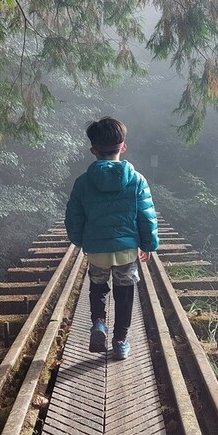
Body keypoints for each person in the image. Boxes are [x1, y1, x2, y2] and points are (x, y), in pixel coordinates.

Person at [64, 117, 159, 359]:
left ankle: (98, 323)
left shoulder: (83, 183)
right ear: (123, 146)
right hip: (126, 249)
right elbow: (146, 216)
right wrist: (148, 245)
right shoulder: (137, 180)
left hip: (97, 250)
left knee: (98, 288)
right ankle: (119, 341)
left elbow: (73, 216)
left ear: (93, 150)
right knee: (124, 294)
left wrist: (79, 240)